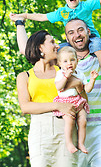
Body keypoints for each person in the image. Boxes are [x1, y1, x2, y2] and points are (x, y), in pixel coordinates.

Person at [10, 0, 101, 166]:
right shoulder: (63, 62)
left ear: (89, 31)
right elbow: (27, 50)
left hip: (100, 128)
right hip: (71, 131)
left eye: (81, 30)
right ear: (66, 37)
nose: (76, 34)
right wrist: (20, 22)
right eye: (71, 32)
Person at [16, 30, 78, 167]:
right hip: (40, 131)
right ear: (40, 47)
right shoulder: (24, 76)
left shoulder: (63, 71)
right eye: (52, 42)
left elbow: (79, 90)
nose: (57, 46)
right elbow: (25, 107)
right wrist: (57, 105)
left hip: (66, 129)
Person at [54, 46, 98, 154]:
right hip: (65, 102)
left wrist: (92, 80)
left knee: (83, 121)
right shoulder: (60, 73)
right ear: (59, 64)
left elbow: (86, 89)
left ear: (77, 61)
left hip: (78, 100)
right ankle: (69, 143)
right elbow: (59, 87)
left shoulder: (79, 73)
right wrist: (66, 77)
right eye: (65, 61)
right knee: (70, 121)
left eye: (72, 60)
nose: (69, 63)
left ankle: (81, 143)